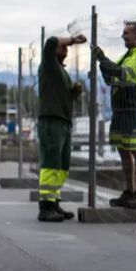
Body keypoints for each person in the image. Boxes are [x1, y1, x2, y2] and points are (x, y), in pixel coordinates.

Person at [94, 21, 136, 209]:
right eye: (123, 33)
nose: (123, 36)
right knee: (123, 150)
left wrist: (102, 59)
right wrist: (103, 62)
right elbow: (110, 77)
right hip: (120, 110)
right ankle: (128, 191)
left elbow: (122, 74)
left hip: (133, 108)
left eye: (126, 33)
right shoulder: (126, 56)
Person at [37, 33, 87, 222]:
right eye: (63, 47)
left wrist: (73, 92)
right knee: (50, 164)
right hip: (51, 121)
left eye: (67, 47)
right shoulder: (48, 64)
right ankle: (45, 207)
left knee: (61, 166)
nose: (66, 49)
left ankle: (54, 202)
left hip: (63, 121)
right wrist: (73, 40)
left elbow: (60, 96)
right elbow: (51, 41)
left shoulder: (60, 70)